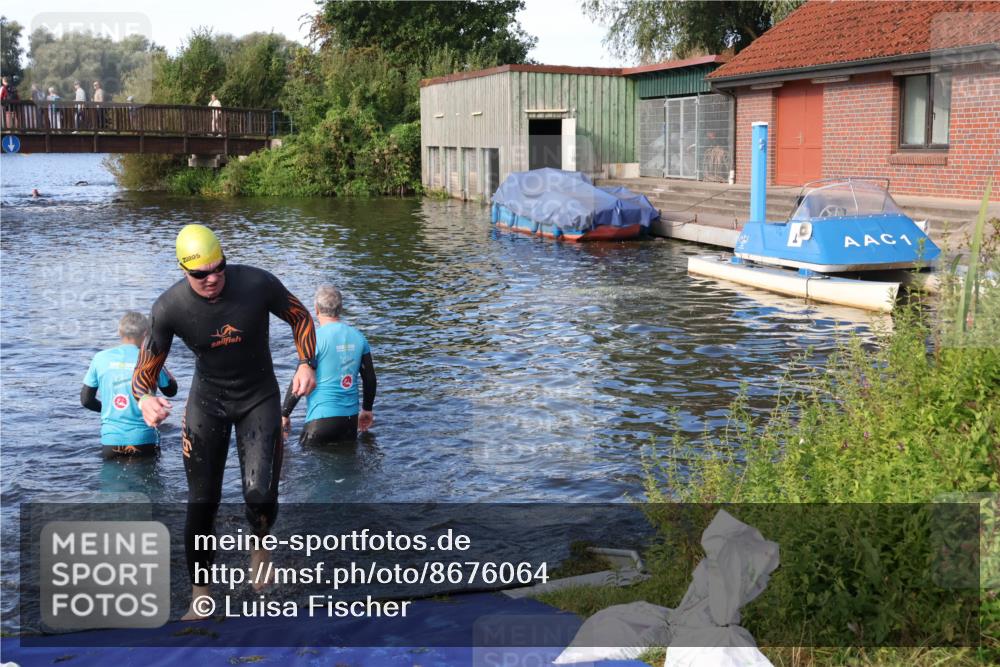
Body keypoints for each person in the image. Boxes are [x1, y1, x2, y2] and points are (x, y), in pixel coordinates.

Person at [131, 223, 316, 620]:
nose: (212, 278)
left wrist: (306, 362)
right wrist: (144, 398)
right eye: (201, 274)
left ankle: (260, 544)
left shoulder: (257, 284)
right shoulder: (169, 308)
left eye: (219, 268)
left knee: (259, 494)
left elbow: (300, 317)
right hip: (207, 403)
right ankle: (200, 594)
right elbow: (145, 369)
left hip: (258, 398)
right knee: (202, 502)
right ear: (184, 270)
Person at [282, 285, 376, 445]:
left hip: (320, 421)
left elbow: (301, 380)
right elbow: (370, 379)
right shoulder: (359, 337)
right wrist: (367, 409)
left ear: (316, 309)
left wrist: (285, 413)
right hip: (350, 423)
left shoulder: (313, 339)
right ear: (341, 308)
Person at [82, 312, 178, 458]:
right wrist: (161, 364)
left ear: (119, 332)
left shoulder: (100, 358)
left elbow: (86, 400)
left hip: (111, 440)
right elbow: (171, 391)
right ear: (146, 334)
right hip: (144, 439)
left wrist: (111, 409)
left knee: (111, 473)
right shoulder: (150, 359)